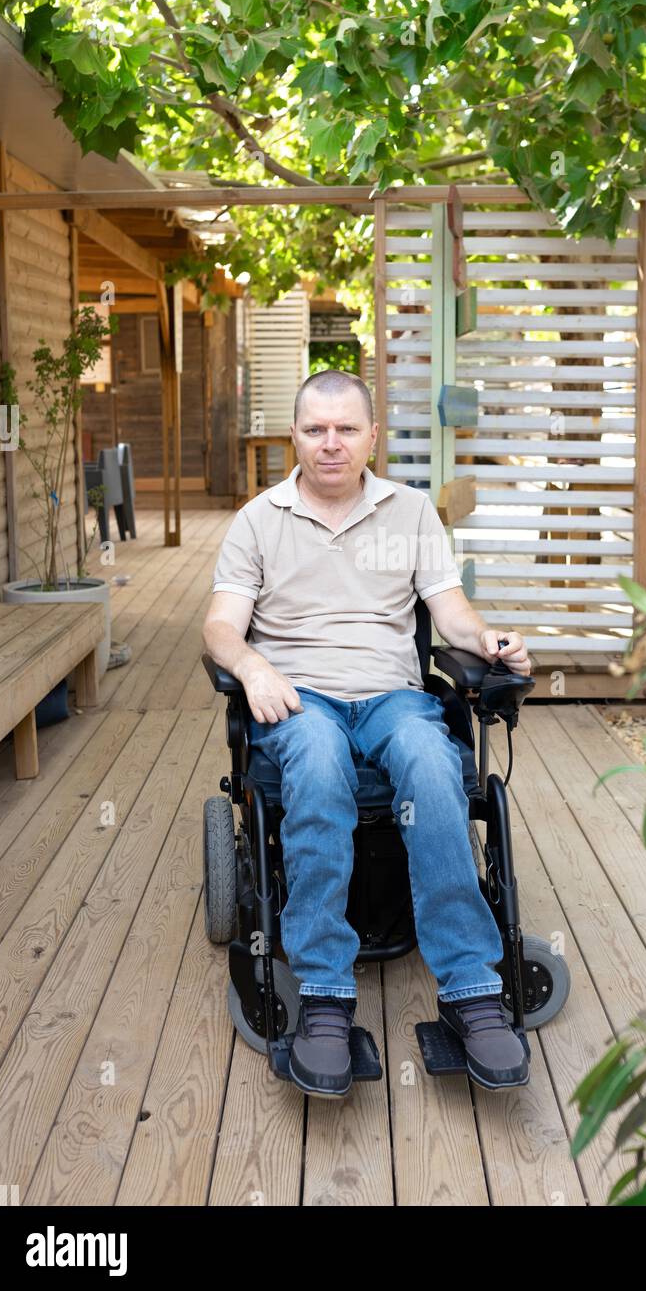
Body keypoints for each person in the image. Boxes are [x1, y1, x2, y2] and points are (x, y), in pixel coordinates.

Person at [202, 369, 532, 1097]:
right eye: (315, 429)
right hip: (301, 700)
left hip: (391, 696)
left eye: (346, 429)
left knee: (432, 761)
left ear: (372, 437)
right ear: (295, 435)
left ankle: (472, 986)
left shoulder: (411, 512)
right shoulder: (258, 519)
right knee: (317, 769)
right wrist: (253, 667)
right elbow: (220, 625)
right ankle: (322, 990)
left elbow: (452, 616)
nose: (330, 444)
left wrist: (492, 640)